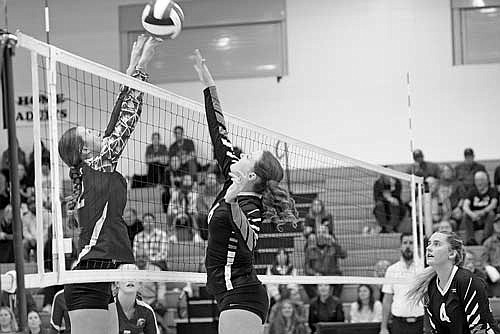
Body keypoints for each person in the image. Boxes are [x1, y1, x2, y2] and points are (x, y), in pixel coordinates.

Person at [57, 35, 161, 334]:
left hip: (99, 274)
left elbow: (117, 117)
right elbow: (127, 120)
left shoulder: (92, 167)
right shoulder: (96, 166)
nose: (96, 131)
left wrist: (130, 67)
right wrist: (143, 65)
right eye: (89, 132)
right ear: (85, 151)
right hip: (88, 278)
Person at [192, 49, 297, 334]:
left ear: (251, 175)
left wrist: (230, 203)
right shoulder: (231, 177)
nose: (242, 153)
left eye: (249, 154)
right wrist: (208, 84)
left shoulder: (251, 206)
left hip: (243, 294)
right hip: (228, 293)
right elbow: (219, 133)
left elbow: (250, 240)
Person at [407, 231, 500, 334]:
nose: (428, 248)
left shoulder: (467, 281)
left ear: (451, 253)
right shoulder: (430, 287)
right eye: (429, 243)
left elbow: (479, 329)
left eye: (436, 244)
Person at [380, 232, 424, 334]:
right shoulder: (392, 270)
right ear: (400, 246)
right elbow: (387, 300)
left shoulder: (424, 269)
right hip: (398, 324)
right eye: (405, 243)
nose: (408, 246)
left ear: (417, 246)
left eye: (411, 243)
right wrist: (383, 327)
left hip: (421, 323)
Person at [304, 225, 347, 298]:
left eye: (324, 232)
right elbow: (307, 268)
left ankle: (334, 301)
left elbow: (344, 255)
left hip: (331, 276)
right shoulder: (309, 249)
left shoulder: (334, 246)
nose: (321, 234)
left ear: (328, 234)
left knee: (340, 279)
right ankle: (317, 301)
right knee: (305, 282)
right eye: (319, 232)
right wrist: (315, 274)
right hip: (317, 277)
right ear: (316, 235)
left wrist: (334, 242)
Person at [115, 264, 159, 334]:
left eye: (134, 276)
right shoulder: (108, 308)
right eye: (126, 276)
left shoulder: (147, 311)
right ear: (117, 283)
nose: (130, 279)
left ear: (140, 284)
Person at [462, 171, 498, 245]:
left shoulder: (492, 190)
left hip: (486, 218)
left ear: (487, 180)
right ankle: (471, 240)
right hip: (474, 218)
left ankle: (485, 238)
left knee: (491, 213)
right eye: (477, 180)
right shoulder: (472, 191)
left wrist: (483, 212)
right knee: (466, 214)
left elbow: (493, 204)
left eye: (481, 180)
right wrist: (472, 214)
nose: (479, 182)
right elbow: (465, 206)